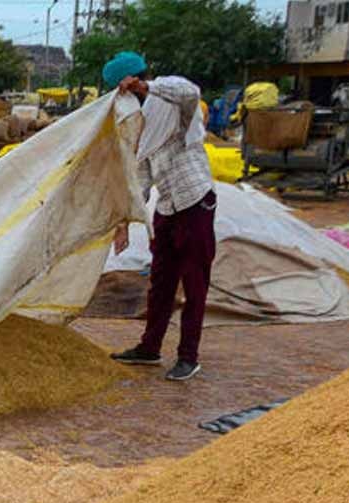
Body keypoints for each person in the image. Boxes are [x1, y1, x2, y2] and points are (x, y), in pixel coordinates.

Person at [105, 51, 216, 382]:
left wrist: (144, 85)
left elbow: (189, 91)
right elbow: (141, 178)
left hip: (196, 203)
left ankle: (188, 357)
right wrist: (124, 222)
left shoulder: (174, 106)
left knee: (194, 284)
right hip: (168, 209)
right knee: (161, 283)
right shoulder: (143, 126)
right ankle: (149, 348)